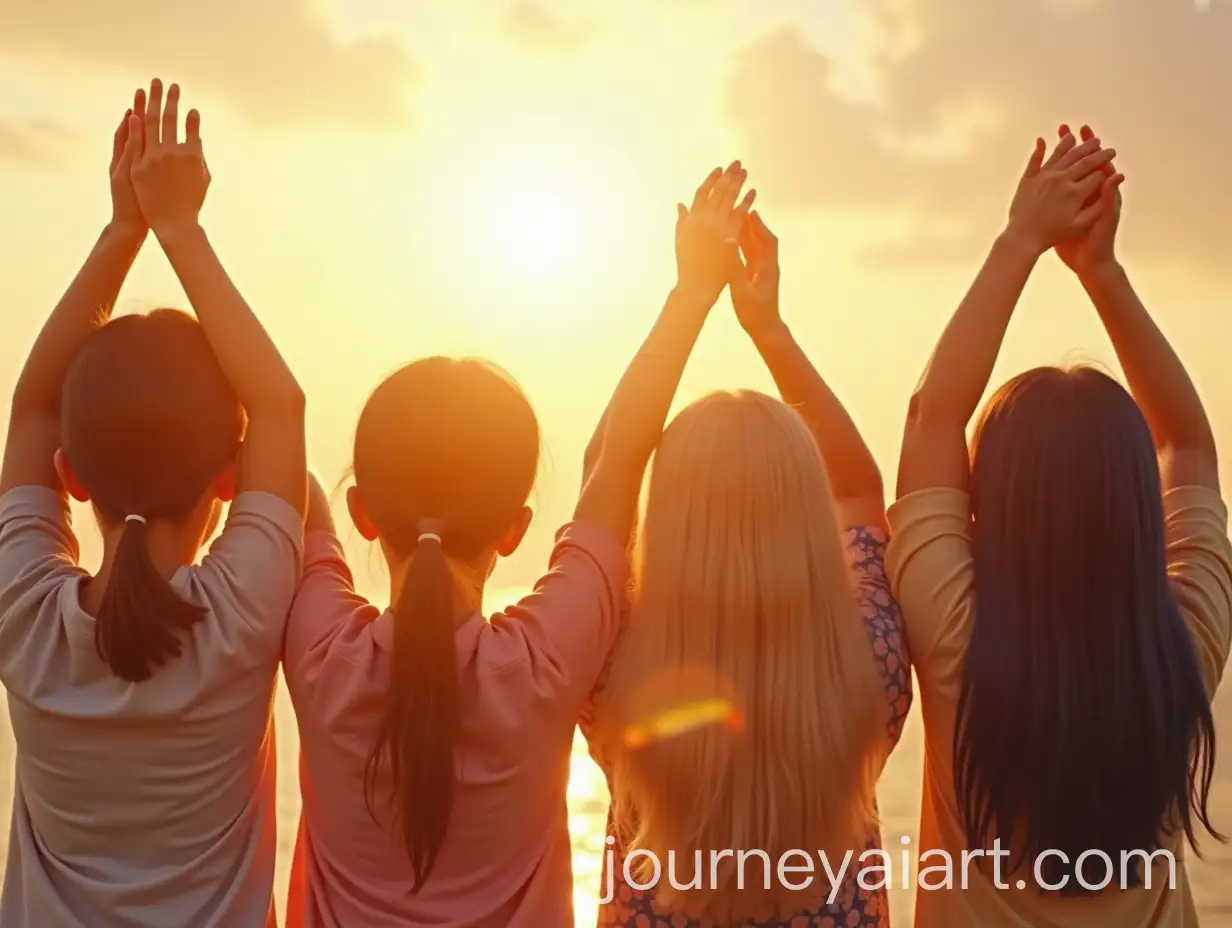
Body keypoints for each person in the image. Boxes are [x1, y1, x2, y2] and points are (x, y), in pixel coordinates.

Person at [281, 161, 755, 926]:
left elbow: (285, 479)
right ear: (515, 528)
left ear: (363, 513)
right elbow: (614, 465)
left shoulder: (319, 654)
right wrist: (692, 292)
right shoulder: (543, 662)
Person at [888, 126, 1231, 927]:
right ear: (1138, 509)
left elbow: (932, 417)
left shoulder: (957, 643)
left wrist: (1021, 241)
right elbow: (1188, 445)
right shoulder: (1184, 645)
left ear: (988, 506)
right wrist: (1102, 273)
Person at [0, 80, 306, 927]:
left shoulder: (24, 617)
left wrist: (124, 230)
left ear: (71, 474)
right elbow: (280, 405)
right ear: (228, 476)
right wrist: (179, 228)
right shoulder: (242, 611)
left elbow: (30, 406)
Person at [580, 190, 912, 925]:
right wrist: (769, 329)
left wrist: (689, 298)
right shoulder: (871, 665)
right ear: (807, 515)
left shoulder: (612, 666)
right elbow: (858, 488)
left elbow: (607, 468)